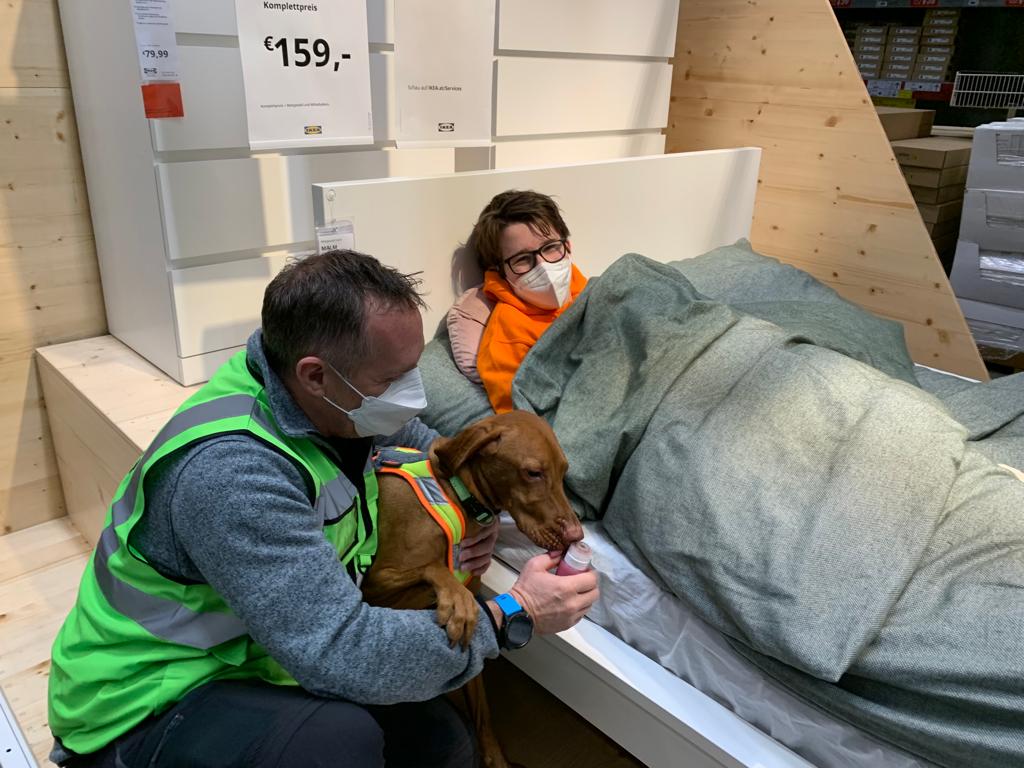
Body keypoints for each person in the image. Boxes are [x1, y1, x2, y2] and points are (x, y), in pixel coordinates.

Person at [47, 250, 600, 768]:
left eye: (414, 370)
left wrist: (473, 511)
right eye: (392, 379)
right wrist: (514, 612)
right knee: (336, 742)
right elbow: (341, 652)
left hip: (260, 656)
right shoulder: (233, 476)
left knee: (443, 741)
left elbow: (424, 442)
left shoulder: (327, 399)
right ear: (315, 375)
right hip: (144, 700)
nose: (411, 392)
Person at [469, 191, 589, 413]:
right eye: (522, 259)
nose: (543, 265)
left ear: (568, 246)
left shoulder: (583, 286)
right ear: (499, 271)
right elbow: (524, 420)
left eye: (550, 247)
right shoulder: (505, 338)